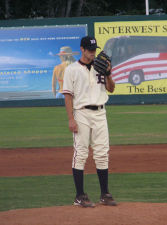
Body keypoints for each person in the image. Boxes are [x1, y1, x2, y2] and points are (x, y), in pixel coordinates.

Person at [62, 36, 116, 208]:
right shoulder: (71, 69)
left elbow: (111, 88)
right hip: (82, 113)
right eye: (90, 50)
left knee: (102, 153)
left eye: (94, 49)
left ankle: (104, 194)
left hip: (101, 112)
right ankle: (79, 196)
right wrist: (71, 119)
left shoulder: (101, 66)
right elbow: (68, 95)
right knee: (81, 153)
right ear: (82, 50)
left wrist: (108, 74)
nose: (93, 53)